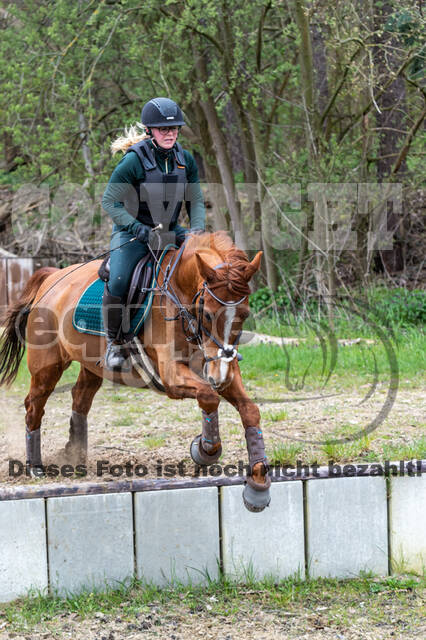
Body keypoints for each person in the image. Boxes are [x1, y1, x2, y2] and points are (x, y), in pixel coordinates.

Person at [101, 97, 205, 371]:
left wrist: (196, 232)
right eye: (162, 129)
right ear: (149, 131)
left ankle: (212, 339)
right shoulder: (133, 161)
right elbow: (110, 202)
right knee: (120, 278)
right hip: (132, 232)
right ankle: (116, 342)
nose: (169, 133)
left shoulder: (186, 160)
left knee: (207, 265)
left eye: (173, 129)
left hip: (171, 231)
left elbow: (195, 201)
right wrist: (137, 229)